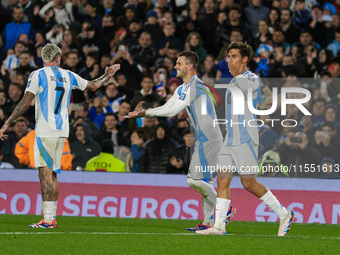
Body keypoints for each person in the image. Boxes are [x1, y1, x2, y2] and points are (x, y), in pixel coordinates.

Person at [0, 43, 120, 228]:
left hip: (45, 130)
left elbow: (26, 101)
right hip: (62, 131)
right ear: (58, 58)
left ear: (43, 58)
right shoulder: (68, 75)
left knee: (45, 174)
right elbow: (94, 86)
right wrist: (106, 75)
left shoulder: (37, 75)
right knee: (53, 174)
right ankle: (51, 218)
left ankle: (48, 220)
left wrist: (8, 122)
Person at [124, 51, 235, 231]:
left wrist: (148, 112)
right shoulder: (182, 88)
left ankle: (225, 207)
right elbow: (168, 106)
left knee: (193, 180)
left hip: (210, 138)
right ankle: (208, 223)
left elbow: (174, 110)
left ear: (189, 66)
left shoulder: (196, 86)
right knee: (205, 182)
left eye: (179, 63)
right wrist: (145, 112)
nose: (175, 66)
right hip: (204, 138)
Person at [196, 42, 294, 236]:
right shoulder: (233, 82)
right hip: (230, 139)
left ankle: (284, 214)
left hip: (246, 139)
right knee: (223, 181)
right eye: (228, 56)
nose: (229, 60)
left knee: (249, 183)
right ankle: (219, 226)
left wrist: (238, 74)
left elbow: (248, 88)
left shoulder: (251, 78)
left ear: (244, 59)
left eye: (233, 56)